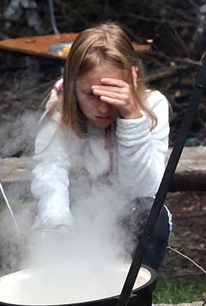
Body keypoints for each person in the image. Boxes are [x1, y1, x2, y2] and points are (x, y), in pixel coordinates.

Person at [28, 23, 171, 271]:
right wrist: (58, 225)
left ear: (133, 78)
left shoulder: (153, 107)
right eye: (92, 94)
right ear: (72, 84)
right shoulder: (61, 107)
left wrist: (132, 119)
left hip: (129, 223)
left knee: (150, 214)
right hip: (74, 219)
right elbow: (51, 171)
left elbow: (145, 191)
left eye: (113, 93)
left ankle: (132, 295)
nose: (103, 107)